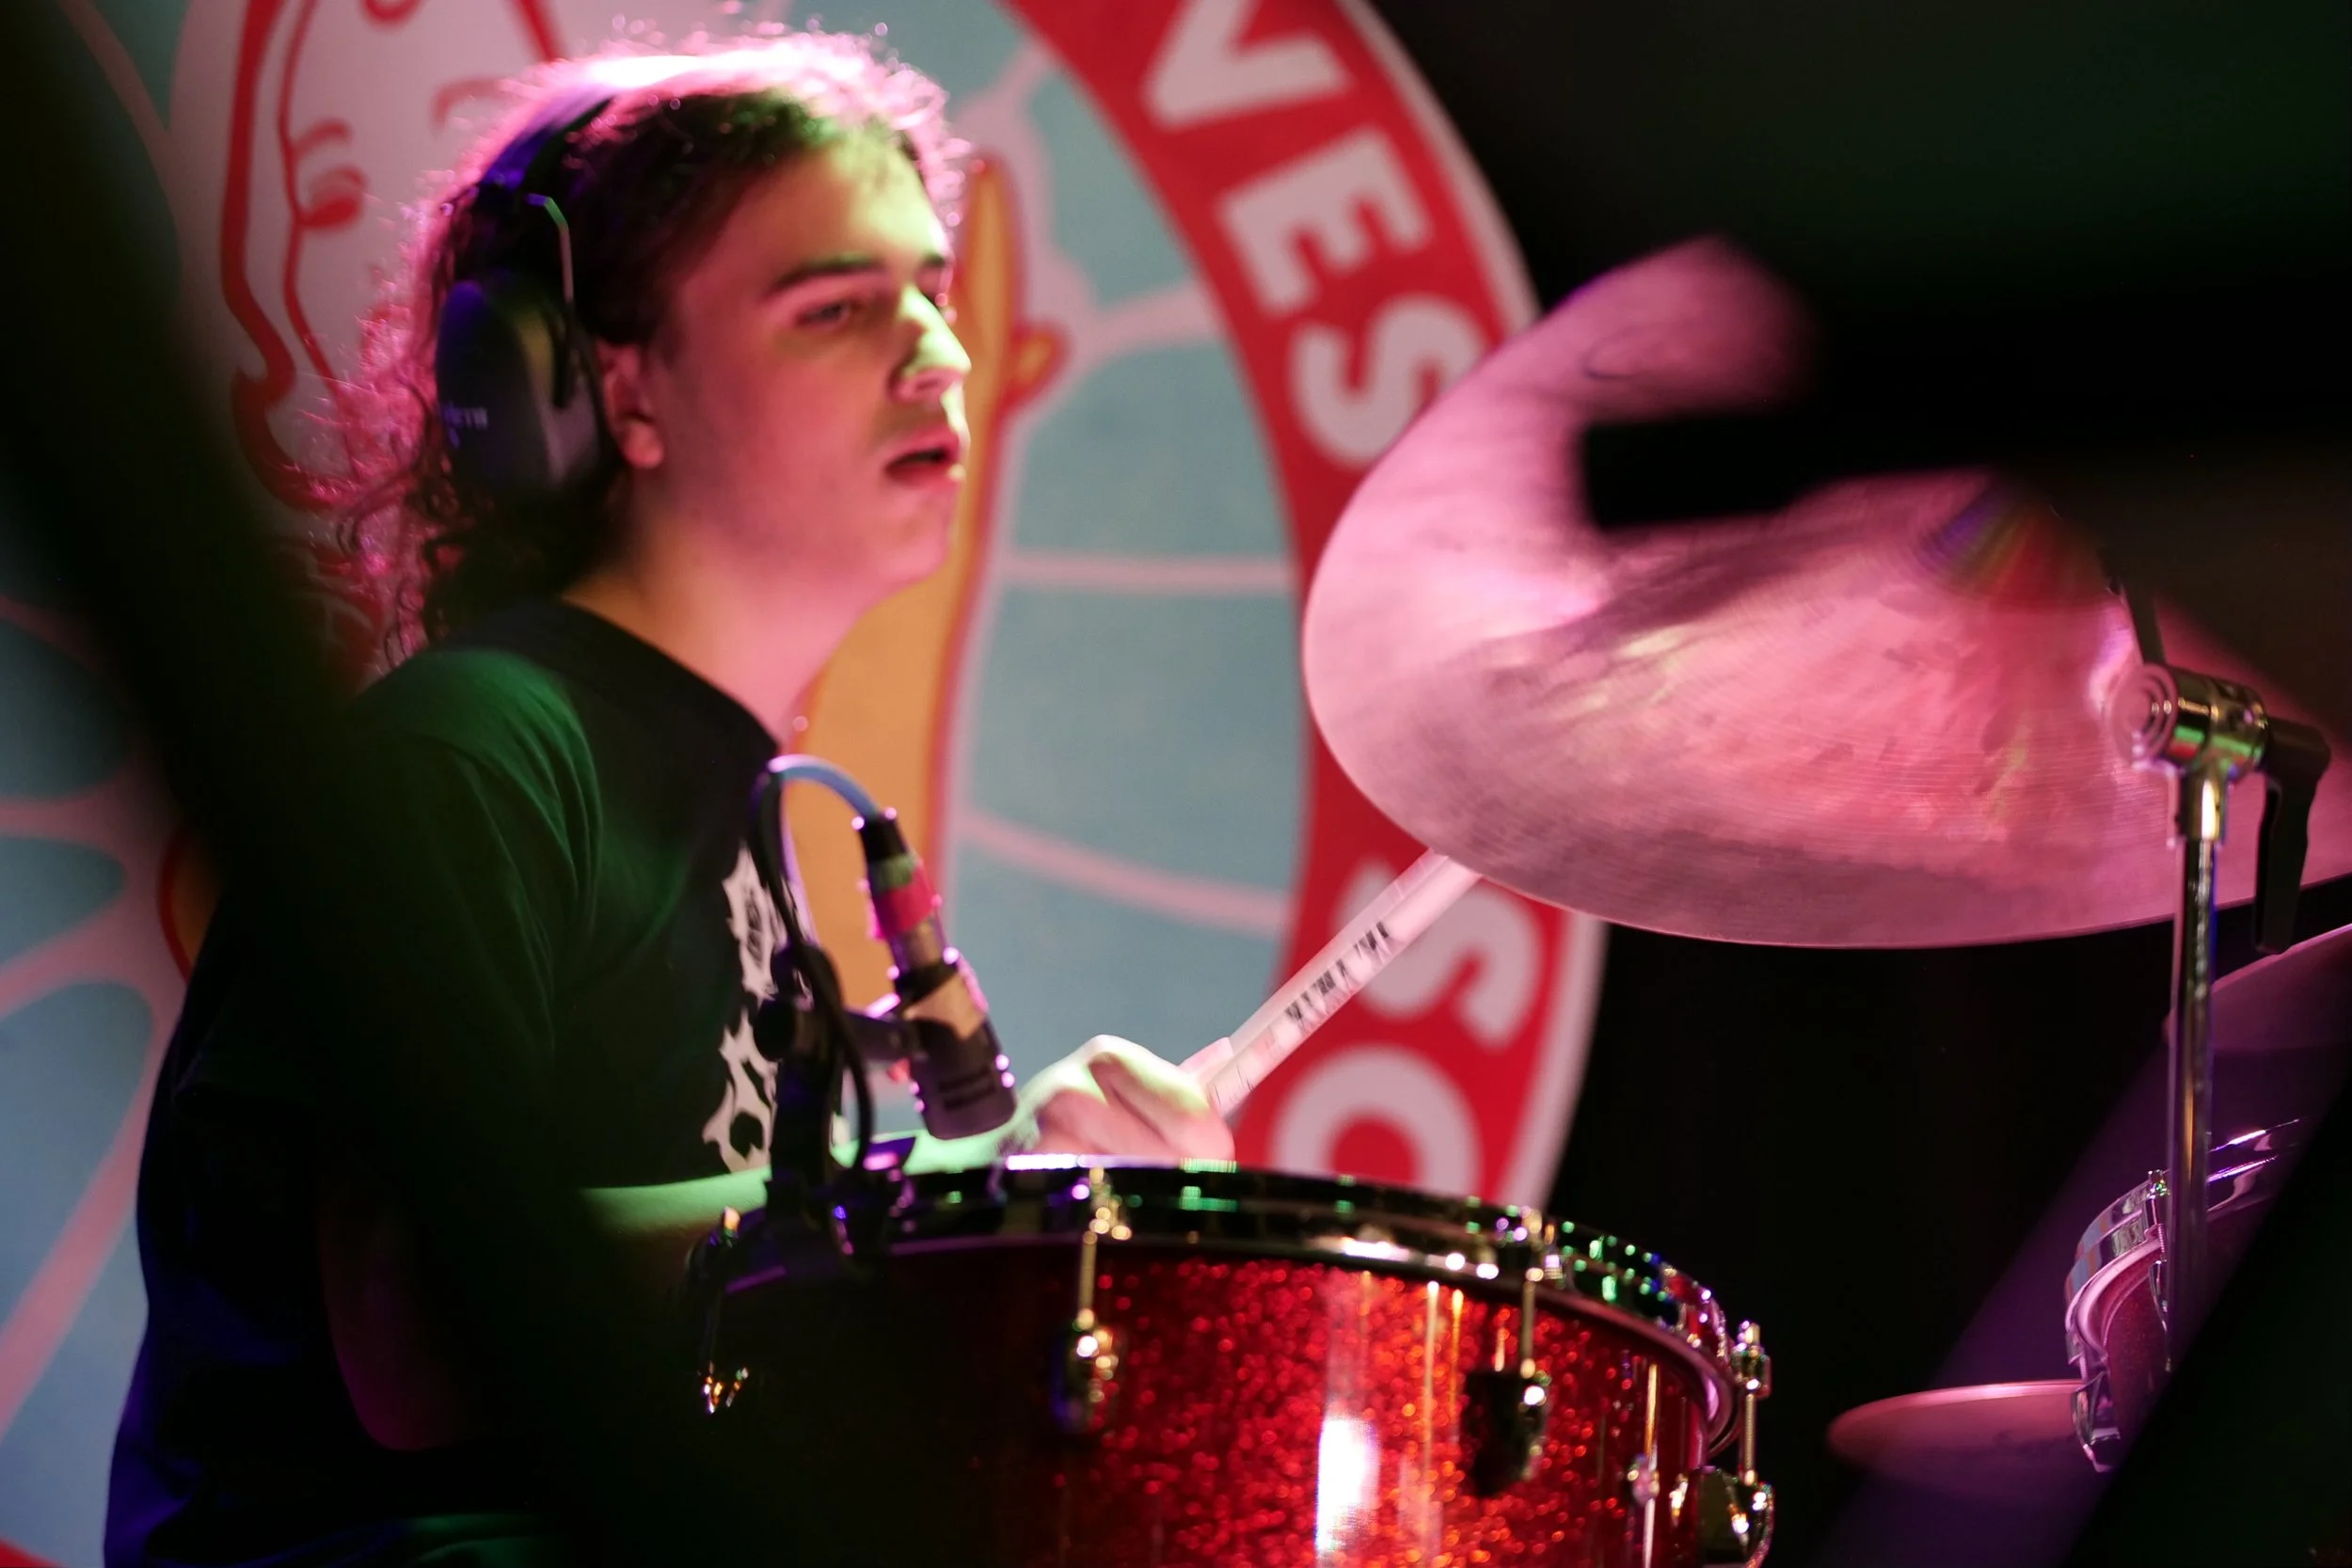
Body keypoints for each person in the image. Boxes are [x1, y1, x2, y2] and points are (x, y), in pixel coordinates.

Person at [105, 32, 1232, 1567]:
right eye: (836, 306)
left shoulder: (742, 818)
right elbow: (419, 1326)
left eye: (932, 291)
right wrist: (943, 1203)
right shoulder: (477, 751)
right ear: (613, 389)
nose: (940, 352)